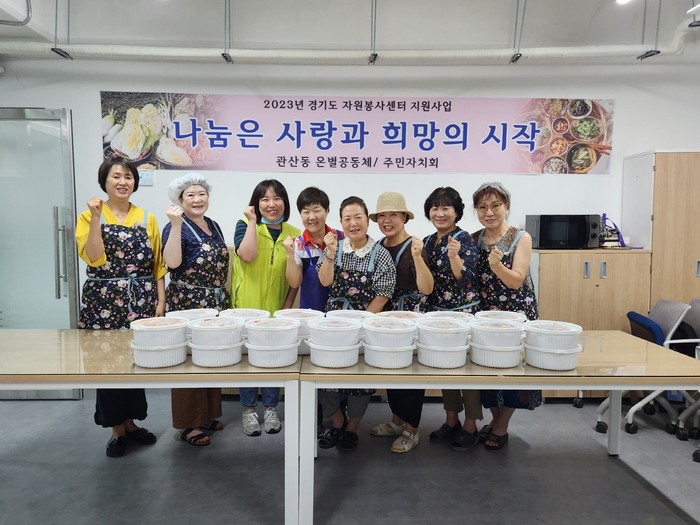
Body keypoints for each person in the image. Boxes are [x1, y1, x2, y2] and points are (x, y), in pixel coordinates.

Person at [76, 156, 166, 457]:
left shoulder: (146, 217)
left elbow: (157, 264)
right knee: (107, 364)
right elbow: (94, 257)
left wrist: (160, 300)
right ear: (104, 181)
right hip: (103, 300)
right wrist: (96, 218)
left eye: (128, 177)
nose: (122, 182)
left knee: (135, 362)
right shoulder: (89, 215)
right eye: (116, 176)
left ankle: (131, 422)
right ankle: (116, 429)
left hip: (140, 299)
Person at [316, 196, 396, 451]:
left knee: (360, 378)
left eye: (358, 217)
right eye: (347, 219)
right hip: (334, 324)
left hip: (366, 323)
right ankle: (337, 421)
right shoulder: (334, 248)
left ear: (367, 221)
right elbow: (325, 282)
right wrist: (330, 254)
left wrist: (360, 323)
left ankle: (352, 427)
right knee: (327, 373)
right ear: (341, 223)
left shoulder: (380, 253)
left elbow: (383, 294)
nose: (353, 223)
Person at [471, 181, 542, 450]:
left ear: (506, 206)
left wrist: (497, 266)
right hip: (486, 314)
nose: (489, 212)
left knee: (513, 370)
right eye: (482, 207)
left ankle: (501, 425)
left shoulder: (520, 237)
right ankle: (494, 419)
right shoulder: (474, 239)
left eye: (495, 206)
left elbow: (516, 280)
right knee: (488, 368)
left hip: (516, 312)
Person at [162, 173, 230, 447]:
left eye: (201, 194)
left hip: (215, 304)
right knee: (189, 363)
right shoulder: (175, 225)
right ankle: (189, 424)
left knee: (211, 358)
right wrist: (175, 224)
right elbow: (172, 262)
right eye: (190, 195)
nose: (197, 199)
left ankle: (208, 415)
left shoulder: (213, 225)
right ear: (180, 200)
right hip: (188, 304)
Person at [231, 179, 300, 437]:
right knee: (249, 360)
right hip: (246, 308)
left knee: (274, 360)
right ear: (256, 204)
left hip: (277, 309)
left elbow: (295, 277)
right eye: (265, 199)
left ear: (285, 202)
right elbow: (247, 255)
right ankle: (248, 409)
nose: (272, 204)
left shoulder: (294, 233)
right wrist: (252, 221)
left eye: (277, 198)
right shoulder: (244, 225)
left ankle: (271, 408)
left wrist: (287, 307)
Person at [368, 192, 434, 453]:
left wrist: (417, 257)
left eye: (393, 214)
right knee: (390, 369)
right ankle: (397, 420)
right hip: (385, 315)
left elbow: (427, 288)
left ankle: (412, 429)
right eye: (382, 215)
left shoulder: (415, 246)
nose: (387, 220)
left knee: (410, 374)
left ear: (404, 217)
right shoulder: (378, 246)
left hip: (410, 316)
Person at [421, 187, 483, 451]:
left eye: (446, 208)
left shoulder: (463, 239)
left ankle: (470, 425)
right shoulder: (427, 241)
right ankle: (451, 420)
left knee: (466, 371)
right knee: (445, 367)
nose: (440, 213)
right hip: (437, 313)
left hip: (463, 313)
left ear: (456, 212)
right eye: (435, 208)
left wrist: (454, 256)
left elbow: (466, 278)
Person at [283, 186, 344, 311]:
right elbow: (294, 282)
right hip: (311, 314)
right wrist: (289, 254)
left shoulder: (342, 238)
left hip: (339, 313)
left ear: (327, 211)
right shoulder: (299, 245)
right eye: (306, 212)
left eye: (317, 210)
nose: (311, 217)